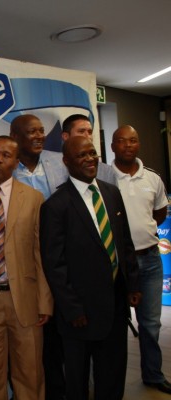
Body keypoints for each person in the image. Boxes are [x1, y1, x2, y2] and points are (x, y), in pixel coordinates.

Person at [40, 136, 141, 400]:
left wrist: (133, 284)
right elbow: (54, 264)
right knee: (78, 382)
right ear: (66, 162)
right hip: (79, 314)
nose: (89, 159)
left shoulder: (111, 193)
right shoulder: (55, 206)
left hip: (115, 306)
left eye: (92, 153)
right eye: (81, 156)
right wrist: (72, 309)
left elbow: (124, 242)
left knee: (113, 375)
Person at [0, 136, 52, 400]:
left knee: (29, 374)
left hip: (24, 298)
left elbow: (40, 253)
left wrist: (44, 301)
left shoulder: (33, 198)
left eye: (5, 155)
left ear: (16, 163)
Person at [111, 125, 171, 394]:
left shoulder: (153, 178)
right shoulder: (104, 176)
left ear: (138, 144)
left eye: (133, 140)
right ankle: (111, 382)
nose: (128, 145)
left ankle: (153, 374)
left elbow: (159, 214)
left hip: (150, 259)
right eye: (122, 141)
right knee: (113, 326)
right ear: (113, 145)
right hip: (117, 263)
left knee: (151, 323)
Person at [61, 114, 116, 185]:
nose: (87, 136)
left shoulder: (107, 171)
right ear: (66, 136)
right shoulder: (52, 169)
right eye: (81, 131)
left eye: (90, 132)